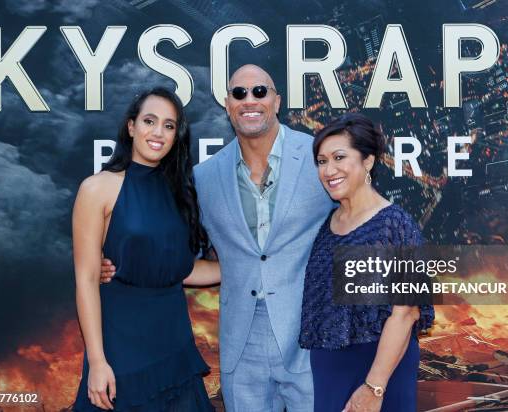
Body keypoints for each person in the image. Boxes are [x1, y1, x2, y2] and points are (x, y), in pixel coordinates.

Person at [102, 65, 334, 411]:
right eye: (239, 93)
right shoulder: (205, 177)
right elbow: (169, 247)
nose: (249, 100)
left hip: (311, 340)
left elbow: (362, 220)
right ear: (228, 105)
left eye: (260, 91)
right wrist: (118, 263)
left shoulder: (320, 157)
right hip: (242, 348)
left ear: (277, 101)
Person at [72, 87, 219, 411]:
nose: (158, 132)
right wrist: (97, 362)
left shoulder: (180, 192)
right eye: (150, 121)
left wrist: (251, 264)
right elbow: (85, 280)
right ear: (131, 126)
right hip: (119, 345)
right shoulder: (97, 188)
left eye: (169, 125)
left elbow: (180, 269)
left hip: (173, 342)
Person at [299, 113, 435, 412]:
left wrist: (374, 387)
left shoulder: (394, 225)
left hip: (380, 368)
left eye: (339, 157)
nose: (328, 170)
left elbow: (407, 313)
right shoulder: (328, 224)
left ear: (368, 162)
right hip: (330, 368)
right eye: (322, 161)